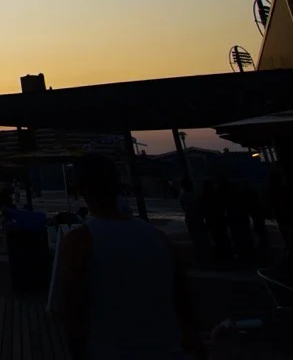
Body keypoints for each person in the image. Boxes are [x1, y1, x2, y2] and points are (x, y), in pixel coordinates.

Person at [51, 153, 202, 360]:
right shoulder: (158, 238)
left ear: (80, 188)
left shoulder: (80, 242)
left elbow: (73, 310)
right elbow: (184, 300)